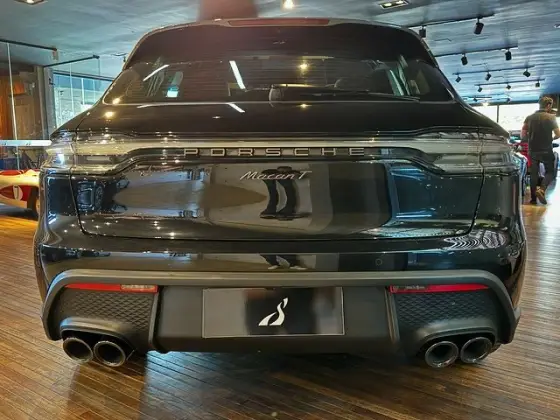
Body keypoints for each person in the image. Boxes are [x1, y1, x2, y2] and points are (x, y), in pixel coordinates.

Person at [522, 96, 560, 204]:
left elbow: (523, 134)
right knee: (550, 172)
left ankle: (533, 199)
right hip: (546, 150)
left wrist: (530, 140)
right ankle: (542, 189)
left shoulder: (529, 117)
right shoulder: (551, 117)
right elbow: (558, 134)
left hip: (533, 150)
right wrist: (552, 138)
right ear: (548, 105)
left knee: (533, 174)